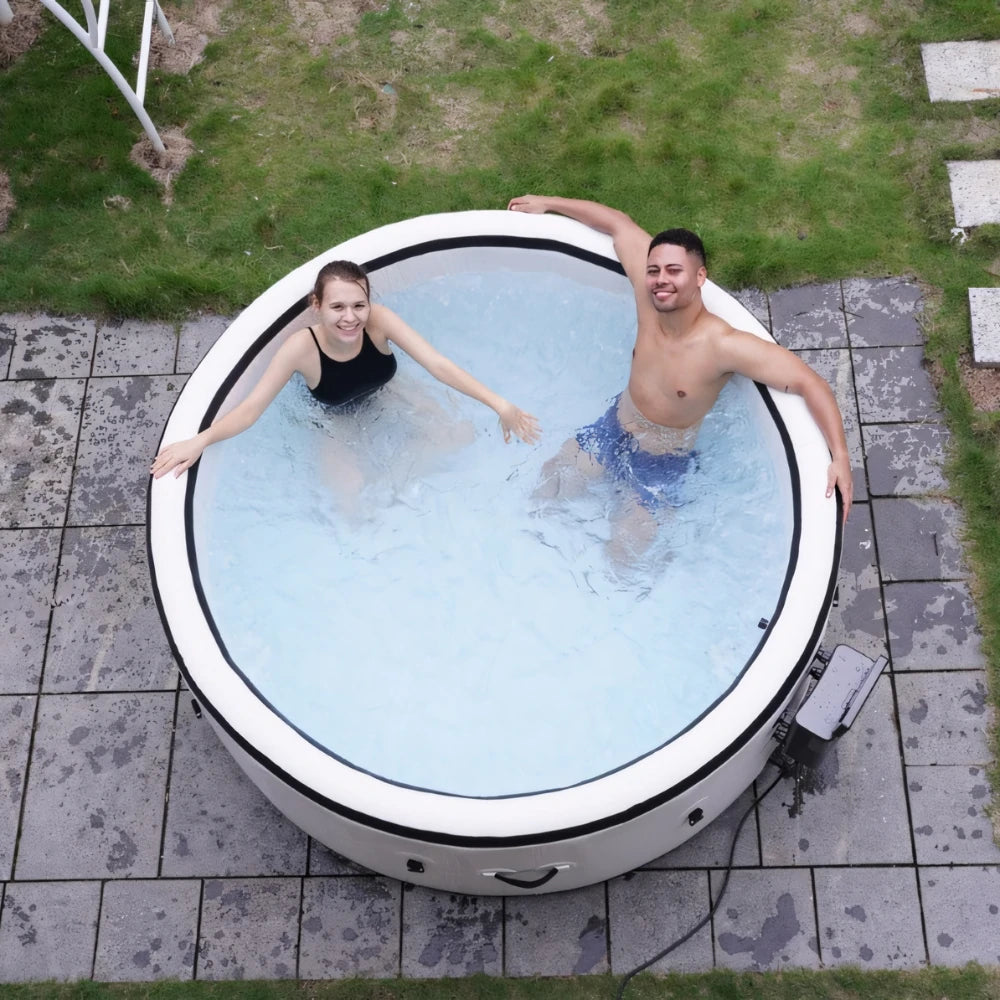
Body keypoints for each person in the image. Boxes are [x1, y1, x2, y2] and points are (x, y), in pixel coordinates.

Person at [508, 195, 853, 532]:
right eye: (654, 270)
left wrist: (840, 456)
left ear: (700, 277)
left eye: (675, 271)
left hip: (659, 464)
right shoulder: (648, 302)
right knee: (544, 493)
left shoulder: (722, 345)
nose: (661, 280)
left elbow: (810, 383)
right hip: (612, 428)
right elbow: (618, 223)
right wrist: (547, 203)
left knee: (624, 558)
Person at [152, 260, 540, 479]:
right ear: (316, 305)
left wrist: (499, 404)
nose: (351, 318)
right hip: (335, 420)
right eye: (338, 307)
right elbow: (252, 408)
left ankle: (402, 479)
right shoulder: (301, 348)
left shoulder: (380, 321)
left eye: (359, 305)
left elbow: (437, 364)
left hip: (389, 394)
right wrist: (200, 440)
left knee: (459, 436)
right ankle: (393, 481)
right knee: (356, 512)